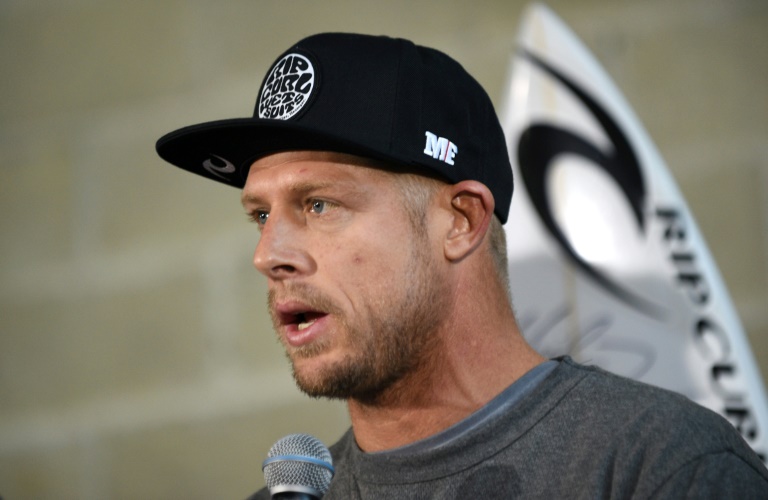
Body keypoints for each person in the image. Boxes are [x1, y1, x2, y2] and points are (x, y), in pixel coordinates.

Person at [156, 33, 768, 498]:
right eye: (261, 215)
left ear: (462, 221)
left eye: (318, 204)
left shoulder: (659, 466)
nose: (268, 255)